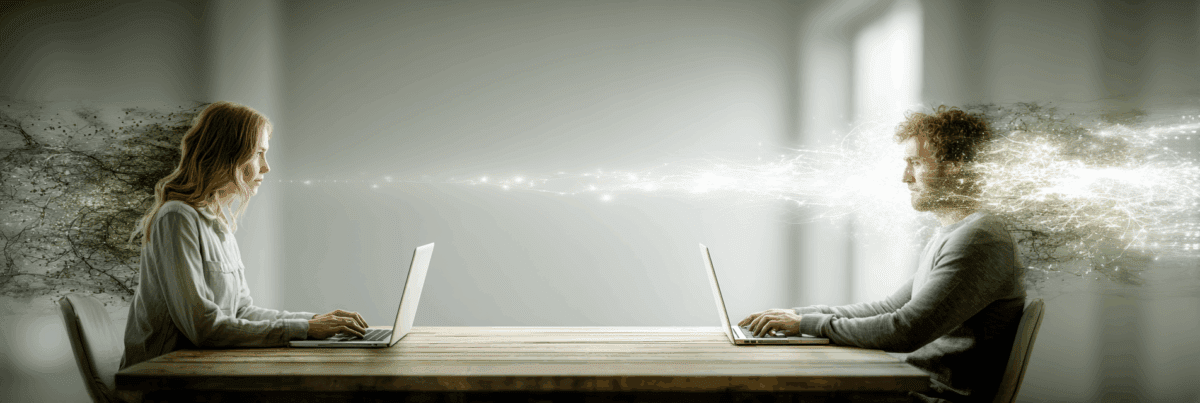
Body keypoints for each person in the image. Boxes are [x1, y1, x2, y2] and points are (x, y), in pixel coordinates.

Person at [740, 106, 1026, 403]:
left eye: (915, 162)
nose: (906, 177)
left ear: (956, 164)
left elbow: (905, 331)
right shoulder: (955, 233)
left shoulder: (978, 239)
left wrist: (806, 325)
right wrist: (799, 315)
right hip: (914, 389)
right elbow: (890, 307)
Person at [121, 101, 369, 369]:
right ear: (227, 155)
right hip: (161, 380)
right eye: (258, 153)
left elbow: (243, 312)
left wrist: (316, 321)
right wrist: (305, 329)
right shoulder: (176, 218)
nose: (266, 167)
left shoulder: (218, 224)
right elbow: (202, 328)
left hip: (203, 370)